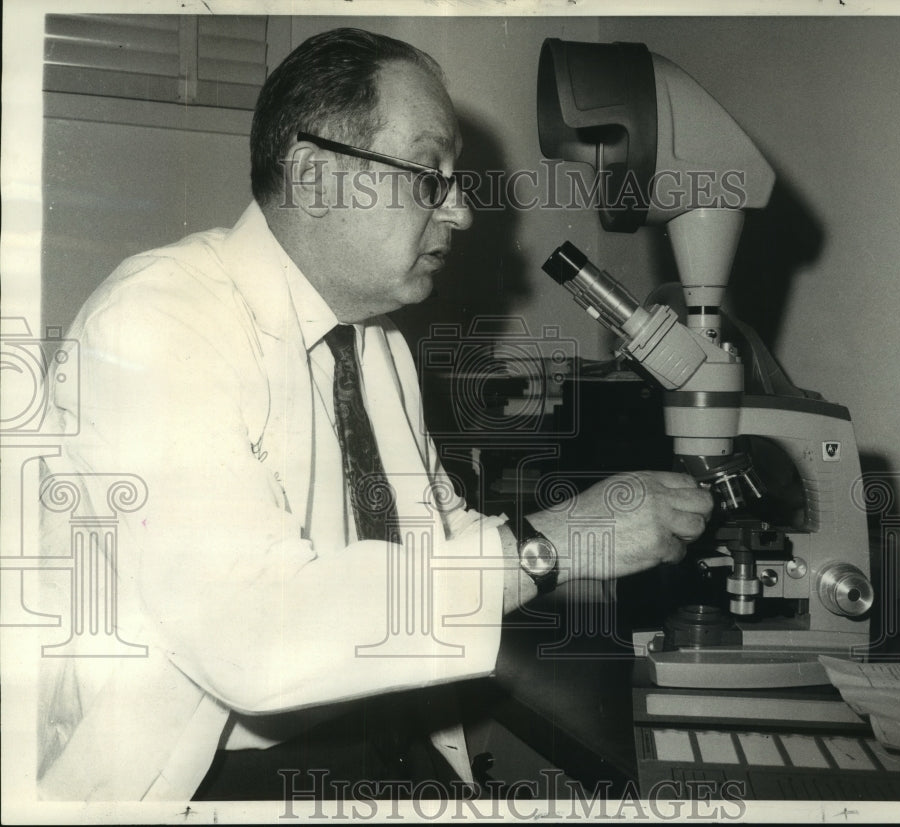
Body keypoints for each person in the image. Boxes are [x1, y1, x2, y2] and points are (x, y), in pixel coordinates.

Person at [36, 27, 714, 802]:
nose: (459, 211)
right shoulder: (158, 320)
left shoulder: (375, 346)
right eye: (431, 173)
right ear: (318, 178)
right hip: (214, 779)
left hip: (388, 747)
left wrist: (610, 520)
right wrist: (551, 544)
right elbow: (253, 639)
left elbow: (445, 534)